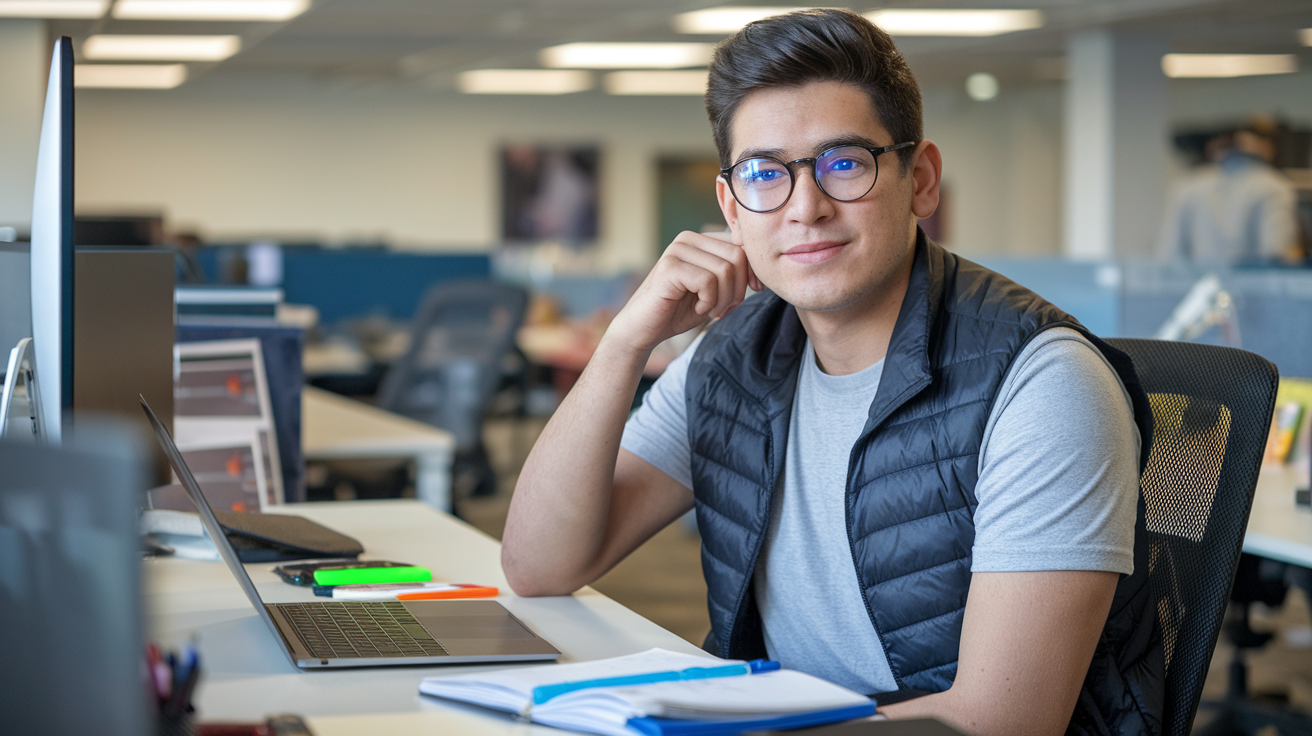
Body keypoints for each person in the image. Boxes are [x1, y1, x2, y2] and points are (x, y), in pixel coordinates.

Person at [502, 10, 1161, 736]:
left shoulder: (1041, 384)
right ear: (732, 207)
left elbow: (1002, 721)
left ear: (922, 182)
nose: (805, 208)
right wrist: (626, 342)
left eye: (844, 162)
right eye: (764, 174)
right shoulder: (734, 356)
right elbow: (539, 566)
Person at [1159, 116, 1301, 265]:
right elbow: (1276, 254)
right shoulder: (1274, 187)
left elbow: (1168, 255)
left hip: (1201, 286)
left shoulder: (1187, 186)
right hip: (1252, 287)